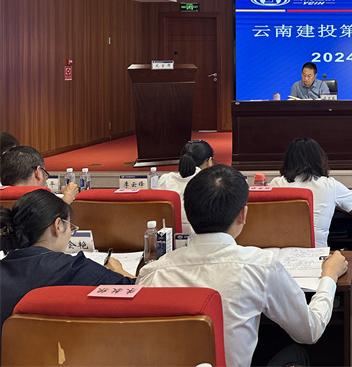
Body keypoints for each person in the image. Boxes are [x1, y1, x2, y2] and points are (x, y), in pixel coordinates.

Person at [137, 164, 348, 367]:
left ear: (188, 213)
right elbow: (310, 331)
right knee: (295, 352)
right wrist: (329, 276)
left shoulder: (152, 274)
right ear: (242, 214)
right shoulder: (261, 266)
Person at [0, 189, 135, 334]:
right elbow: (139, 292)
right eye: (70, 227)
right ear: (58, 225)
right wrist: (118, 270)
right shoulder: (76, 268)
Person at [269, 137, 352, 247]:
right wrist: (333, 203)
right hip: (316, 254)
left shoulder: (275, 183)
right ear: (319, 159)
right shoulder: (330, 185)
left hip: (279, 252)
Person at [158, 140, 215, 233]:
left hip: (167, 237)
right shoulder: (211, 184)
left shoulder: (164, 179)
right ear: (209, 161)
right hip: (200, 237)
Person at [0, 146, 79, 204]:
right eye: (45, 173)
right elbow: (53, 216)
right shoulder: (40, 199)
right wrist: (68, 196)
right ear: (38, 172)